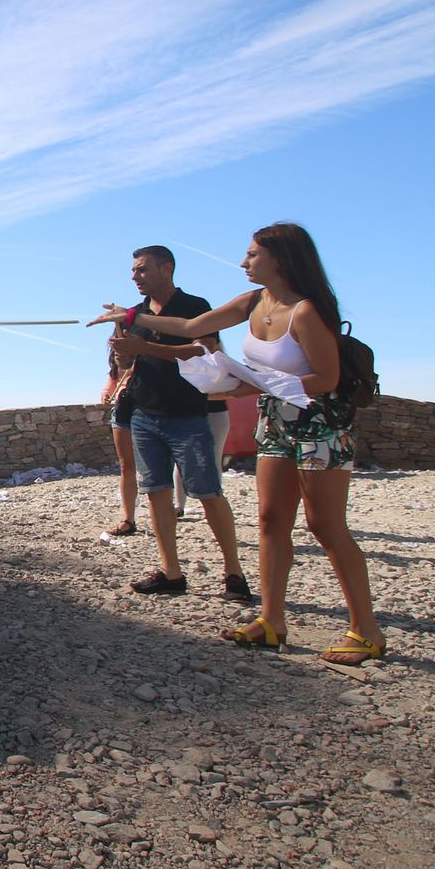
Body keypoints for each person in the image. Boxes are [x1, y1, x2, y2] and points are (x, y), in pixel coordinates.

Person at [90, 222, 385, 666]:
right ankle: (271, 621)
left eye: (252, 255)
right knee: (269, 522)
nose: (243, 263)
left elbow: (327, 378)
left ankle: (366, 631)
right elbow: (191, 325)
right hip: (276, 423)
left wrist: (251, 385)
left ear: (281, 259)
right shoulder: (253, 302)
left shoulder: (306, 311)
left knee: (325, 528)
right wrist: (129, 317)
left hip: (318, 424)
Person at [106, 245, 248, 601]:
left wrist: (145, 348)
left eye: (141, 269)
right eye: (133, 270)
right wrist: (123, 352)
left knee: (209, 494)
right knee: (156, 493)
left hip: (187, 415)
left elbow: (203, 351)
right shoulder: (134, 313)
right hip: (144, 415)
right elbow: (127, 363)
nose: (134, 276)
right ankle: (172, 572)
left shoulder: (194, 307)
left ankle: (234, 573)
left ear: (166, 268)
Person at [173, 333, 231, 518]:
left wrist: (201, 394)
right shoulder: (185, 363)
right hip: (188, 413)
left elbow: (229, 391)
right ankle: (178, 505)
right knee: (181, 461)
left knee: (214, 460)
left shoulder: (223, 363)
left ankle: (215, 505)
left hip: (215, 413)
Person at [100, 345, 139, 535]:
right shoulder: (117, 354)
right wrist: (106, 395)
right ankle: (129, 518)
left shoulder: (145, 348)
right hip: (123, 409)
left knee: (154, 468)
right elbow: (112, 381)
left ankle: (167, 511)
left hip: (147, 409)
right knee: (126, 467)